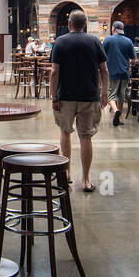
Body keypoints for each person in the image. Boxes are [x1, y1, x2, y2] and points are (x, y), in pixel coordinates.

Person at [49, 10, 108, 192]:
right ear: (85, 24)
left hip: (65, 96)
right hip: (89, 96)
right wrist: (104, 93)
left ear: (69, 24)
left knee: (65, 133)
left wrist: (54, 97)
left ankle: (66, 174)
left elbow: (54, 72)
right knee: (86, 137)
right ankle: (85, 180)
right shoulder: (94, 41)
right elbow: (104, 70)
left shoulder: (60, 42)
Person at [102, 20, 136, 127]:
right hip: (124, 72)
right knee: (121, 95)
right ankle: (120, 118)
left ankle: (116, 110)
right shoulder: (128, 41)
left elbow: (101, 55)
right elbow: (133, 59)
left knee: (111, 95)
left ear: (113, 29)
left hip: (112, 71)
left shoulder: (108, 40)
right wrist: (129, 64)